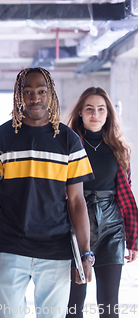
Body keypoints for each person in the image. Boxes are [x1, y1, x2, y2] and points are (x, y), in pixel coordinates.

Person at [0, 67, 95, 318]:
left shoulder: (69, 140)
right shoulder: (0, 137)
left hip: (56, 249)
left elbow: (76, 201)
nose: (34, 98)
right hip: (10, 247)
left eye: (41, 91)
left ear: (51, 94)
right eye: (27, 92)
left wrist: (85, 253)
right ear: (19, 96)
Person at [66, 87, 138, 318]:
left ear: (108, 114)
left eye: (100, 109)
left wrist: (132, 238)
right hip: (75, 225)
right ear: (80, 113)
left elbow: (125, 195)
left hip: (111, 229)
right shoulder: (68, 146)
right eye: (89, 109)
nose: (94, 114)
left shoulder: (119, 149)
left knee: (109, 307)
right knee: (73, 305)